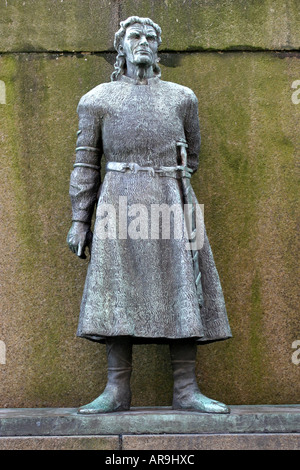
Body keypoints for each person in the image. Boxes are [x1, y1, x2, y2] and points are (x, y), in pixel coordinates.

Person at [67, 16, 232, 414]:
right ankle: (116, 391)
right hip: (117, 203)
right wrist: (79, 219)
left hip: (172, 201)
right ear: (120, 47)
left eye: (150, 37)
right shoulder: (97, 99)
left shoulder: (181, 97)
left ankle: (186, 390)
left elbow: (192, 155)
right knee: (117, 290)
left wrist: (165, 183)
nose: (142, 42)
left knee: (183, 285)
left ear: (158, 47)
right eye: (134, 36)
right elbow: (86, 163)